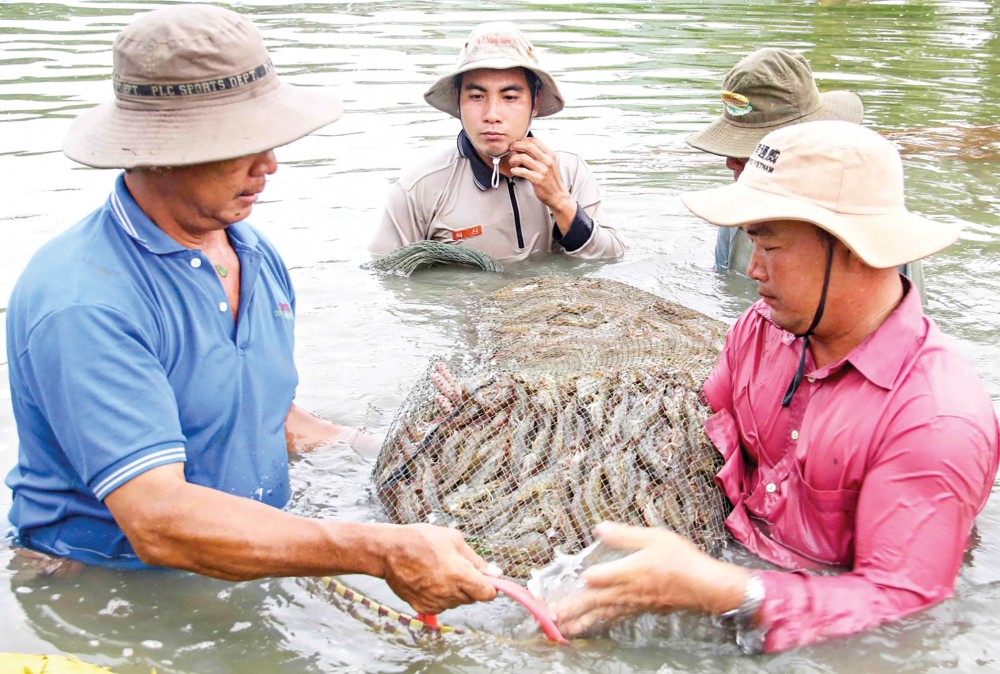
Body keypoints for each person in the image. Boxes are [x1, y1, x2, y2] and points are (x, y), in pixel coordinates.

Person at [3, 4, 496, 615]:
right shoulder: (84, 300)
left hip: (258, 555)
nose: (270, 167)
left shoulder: (251, 250)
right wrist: (379, 550)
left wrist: (398, 445)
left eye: (269, 142)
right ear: (159, 150)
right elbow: (157, 521)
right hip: (110, 589)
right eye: (242, 147)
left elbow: (269, 418)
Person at [551, 121, 999, 652]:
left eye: (771, 246)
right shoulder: (761, 329)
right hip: (735, 558)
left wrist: (723, 588)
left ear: (854, 250)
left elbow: (902, 607)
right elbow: (703, 409)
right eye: (750, 243)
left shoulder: (935, 419)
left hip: (827, 636)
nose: (754, 270)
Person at [368, 22, 625, 262]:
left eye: (510, 97)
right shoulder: (419, 188)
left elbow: (611, 258)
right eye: (477, 96)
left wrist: (561, 202)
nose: (492, 115)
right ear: (458, 101)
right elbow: (388, 279)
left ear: (534, 103)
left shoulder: (569, 171)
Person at [686, 47, 926, 303]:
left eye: (751, 152)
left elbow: (906, 327)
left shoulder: (870, 220)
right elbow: (727, 293)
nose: (729, 163)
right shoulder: (735, 214)